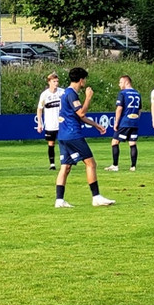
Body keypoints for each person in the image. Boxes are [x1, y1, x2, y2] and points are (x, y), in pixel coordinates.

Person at [54, 67, 114, 208]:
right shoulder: (71, 94)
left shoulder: (66, 93)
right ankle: (96, 197)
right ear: (81, 80)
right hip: (73, 134)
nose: (85, 82)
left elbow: (77, 115)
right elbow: (81, 113)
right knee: (91, 164)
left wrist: (95, 125)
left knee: (65, 167)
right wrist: (88, 98)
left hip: (63, 135)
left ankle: (59, 200)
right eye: (84, 79)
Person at [106, 74, 141, 172]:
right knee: (132, 143)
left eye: (121, 82)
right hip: (135, 122)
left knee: (114, 142)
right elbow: (139, 110)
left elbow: (119, 108)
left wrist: (116, 122)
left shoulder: (123, 93)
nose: (119, 84)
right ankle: (133, 166)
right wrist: (136, 119)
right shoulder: (137, 93)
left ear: (126, 82)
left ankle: (115, 165)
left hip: (125, 121)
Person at [35, 72, 62, 170]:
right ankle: (52, 164)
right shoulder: (45, 95)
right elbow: (39, 109)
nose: (56, 83)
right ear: (49, 82)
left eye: (57, 81)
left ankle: (65, 162)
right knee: (51, 143)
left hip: (62, 123)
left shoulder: (62, 92)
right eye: (54, 81)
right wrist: (39, 123)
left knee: (64, 142)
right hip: (50, 124)